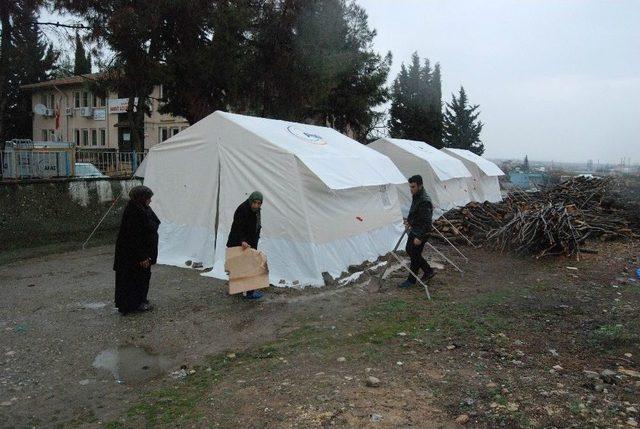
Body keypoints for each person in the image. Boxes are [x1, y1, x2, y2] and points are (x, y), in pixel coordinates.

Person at [113, 185, 160, 314]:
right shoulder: (134, 212)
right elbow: (134, 237)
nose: (150, 201)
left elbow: (153, 224)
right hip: (132, 256)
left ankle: (139, 300)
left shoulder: (142, 209)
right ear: (141, 198)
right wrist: (142, 256)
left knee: (142, 277)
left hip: (139, 254)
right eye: (148, 198)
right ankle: (134, 303)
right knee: (134, 279)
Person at [399, 175, 435, 288]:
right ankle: (428, 271)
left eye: (413, 187)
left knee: (414, 254)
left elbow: (427, 222)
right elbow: (416, 212)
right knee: (410, 250)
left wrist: (420, 237)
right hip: (415, 228)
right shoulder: (417, 195)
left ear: (420, 186)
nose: (411, 189)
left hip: (420, 232)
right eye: (410, 187)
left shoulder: (424, 201)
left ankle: (411, 280)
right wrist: (410, 221)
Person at [227, 191, 264, 300]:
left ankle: (243, 289)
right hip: (239, 242)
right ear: (250, 201)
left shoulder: (256, 211)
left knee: (246, 266)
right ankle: (249, 293)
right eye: (255, 203)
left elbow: (255, 226)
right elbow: (238, 227)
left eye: (259, 203)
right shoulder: (242, 209)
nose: (256, 205)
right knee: (246, 266)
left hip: (250, 242)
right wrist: (242, 240)